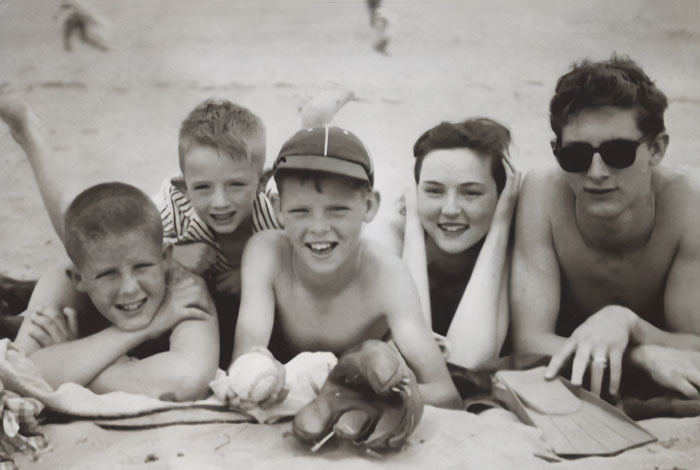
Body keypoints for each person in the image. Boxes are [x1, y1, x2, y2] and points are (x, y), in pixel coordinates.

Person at [1, 97, 280, 367]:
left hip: (238, 318)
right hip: (163, 303)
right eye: (203, 187)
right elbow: (103, 235)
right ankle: (29, 134)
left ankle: (19, 295)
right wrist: (177, 251)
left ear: (261, 180)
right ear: (183, 184)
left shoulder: (275, 211)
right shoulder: (177, 204)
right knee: (87, 238)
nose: (219, 202)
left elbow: (304, 265)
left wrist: (253, 276)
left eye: (236, 185)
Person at [230, 125, 462, 410]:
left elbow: (445, 392)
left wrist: (343, 396)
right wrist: (255, 377)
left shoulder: (388, 275)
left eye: (337, 210)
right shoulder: (266, 253)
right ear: (278, 209)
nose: (318, 228)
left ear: (370, 205)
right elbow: (244, 362)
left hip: (361, 388)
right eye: (300, 211)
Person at [511, 54, 700, 399]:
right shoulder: (543, 193)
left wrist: (627, 323)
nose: (596, 172)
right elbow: (529, 340)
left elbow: (695, 345)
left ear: (656, 149)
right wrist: (638, 355)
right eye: (576, 156)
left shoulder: (689, 202)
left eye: (618, 153)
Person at [13, 182, 219, 400]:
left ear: (165, 258)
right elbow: (17, 374)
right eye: (107, 274)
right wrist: (150, 327)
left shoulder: (185, 287)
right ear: (78, 279)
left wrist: (68, 363)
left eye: (142, 267)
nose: (129, 288)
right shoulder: (61, 282)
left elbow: (188, 381)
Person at [366, 119, 520, 369]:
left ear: (502, 195)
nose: (450, 209)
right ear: (414, 191)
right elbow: (415, 360)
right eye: (433, 191)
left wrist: (500, 229)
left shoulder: (511, 242)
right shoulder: (388, 235)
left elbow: (466, 362)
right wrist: (414, 224)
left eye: (471, 193)